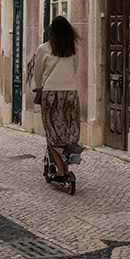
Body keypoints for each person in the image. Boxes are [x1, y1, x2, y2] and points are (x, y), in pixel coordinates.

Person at [34, 16, 84, 180]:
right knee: (67, 132)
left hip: (51, 95)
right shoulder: (72, 49)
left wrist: (40, 87)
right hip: (71, 93)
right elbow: (74, 69)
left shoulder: (44, 48)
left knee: (53, 133)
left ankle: (61, 173)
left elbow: (38, 73)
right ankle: (66, 168)